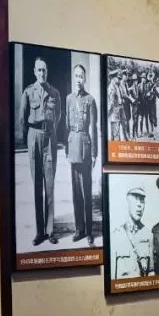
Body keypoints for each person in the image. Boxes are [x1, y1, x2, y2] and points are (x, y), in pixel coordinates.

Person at [17, 57, 62, 246]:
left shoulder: (54, 93)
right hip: (34, 136)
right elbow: (22, 118)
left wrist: (49, 130)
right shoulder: (28, 91)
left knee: (49, 185)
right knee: (37, 185)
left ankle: (50, 231)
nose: (42, 73)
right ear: (34, 72)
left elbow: (58, 116)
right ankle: (39, 232)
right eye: (39, 70)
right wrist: (30, 137)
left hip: (49, 137)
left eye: (44, 70)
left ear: (47, 71)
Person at [65, 64, 98, 245]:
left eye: (81, 76)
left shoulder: (90, 100)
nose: (78, 79)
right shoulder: (69, 99)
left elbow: (93, 128)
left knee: (86, 192)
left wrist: (94, 153)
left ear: (84, 79)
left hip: (85, 149)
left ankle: (89, 231)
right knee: (76, 192)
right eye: (76, 76)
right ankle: (79, 229)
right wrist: (67, 148)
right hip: (73, 147)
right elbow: (66, 126)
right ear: (73, 77)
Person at [111, 187, 153, 280]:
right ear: (127, 204)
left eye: (142, 201)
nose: (139, 205)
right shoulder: (115, 236)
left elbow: (151, 272)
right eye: (135, 200)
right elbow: (112, 278)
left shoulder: (148, 235)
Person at [107, 71, 125, 142]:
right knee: (116, 134)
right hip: (114, 113)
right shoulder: (112, 87)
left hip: (116, 112)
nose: (120, 80)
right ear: (114, 78)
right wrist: (108, 112)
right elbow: (111, 102)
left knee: (115, 134)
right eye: (118, 78)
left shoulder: (116, 86)